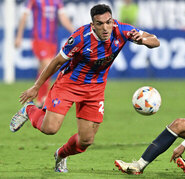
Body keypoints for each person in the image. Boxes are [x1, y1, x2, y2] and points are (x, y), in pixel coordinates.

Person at [10, 4, 160, 173]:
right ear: (92, 24)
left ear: (112, 20)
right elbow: (57, 62)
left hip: (95, 90)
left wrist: (143, 40)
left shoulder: (122, 30)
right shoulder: (80, 37)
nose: (105, 27)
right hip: (68, 85)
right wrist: (36, 87)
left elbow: (155, 40)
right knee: (50, 129)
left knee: (86, 141)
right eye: (100, 23)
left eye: (108, 22)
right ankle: (29, 110)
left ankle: (61, 155)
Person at [15, 0, 74, 107]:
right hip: (39, 39)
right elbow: (24, 16)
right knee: (48, 65)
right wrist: (19, 36)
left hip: (52, 40)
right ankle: (42, 99)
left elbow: (63, 18)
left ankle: (38, 101)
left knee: (44, 69)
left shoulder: (56, 2)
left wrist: (75, 32)